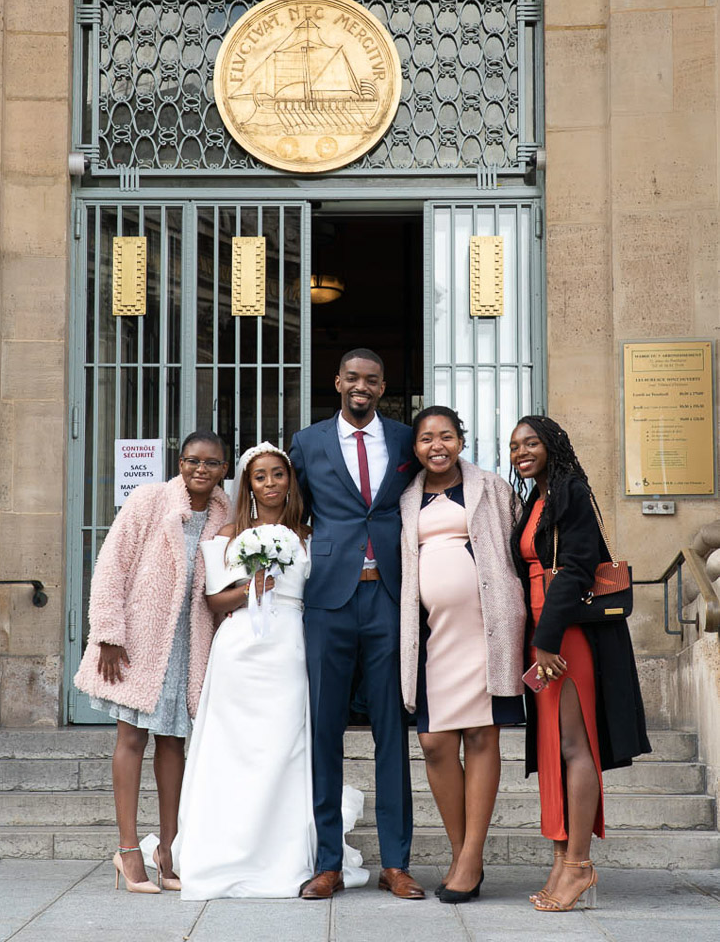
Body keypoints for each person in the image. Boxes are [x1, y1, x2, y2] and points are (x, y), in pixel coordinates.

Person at [172, 442, 365, 898]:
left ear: (290, 480)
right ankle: (229, 847)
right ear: (249, 485)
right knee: (235, 750)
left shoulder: (309, 534)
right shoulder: (226, 533)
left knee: (285, 748)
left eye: (279, 474)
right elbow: (213, 601)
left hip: (291, 645)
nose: (271, 483)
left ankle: (285, 854)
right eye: (261, 476)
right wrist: (249, 589)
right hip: (240, 649)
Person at [290, 348, 423, 901]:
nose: (361, 386)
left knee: (392, 731)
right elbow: (288, 509)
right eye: (353, 378)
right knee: (324, 730)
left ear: (383, 383)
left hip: (389, 598)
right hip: (328, 600)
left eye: (372, 379)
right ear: (337, 380)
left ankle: (397, 862)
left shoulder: (404, 440)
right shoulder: (308, 441)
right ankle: (327, 863)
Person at [74, 431, 230, 892]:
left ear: (225, 468)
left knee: (173, 745)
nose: (201, 470)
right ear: (179, 462)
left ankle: (169, 849)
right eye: (192, 461)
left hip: (191, 640)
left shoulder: (226, 514)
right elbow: (112, 564)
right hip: (139, 639)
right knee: (131, 737)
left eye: (212, 463)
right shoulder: (148, 500)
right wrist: (107, 633)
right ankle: (127, 850)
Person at [509, 415, 650, 913]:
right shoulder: (536, 499)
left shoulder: (570, 491)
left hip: (565, 635)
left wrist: (546, 642)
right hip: (543, 635)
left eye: (530, 443)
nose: (521, 451)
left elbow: (577, 565)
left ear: (552, 446)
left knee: (574, 745)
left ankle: (580, 864)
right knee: (554, 747)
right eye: (514, 446)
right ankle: (560, 857)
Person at [400, 407, 526, 904]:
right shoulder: (406, 498)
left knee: (480, 735)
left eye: (447, 436)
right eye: (427, 438)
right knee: (433, 742)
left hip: (486, 630)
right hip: (433, 635)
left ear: (461, 441)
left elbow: (523, 542)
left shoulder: (491, 487)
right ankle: (461, 853)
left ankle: (470, 858)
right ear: (415, 447)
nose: (437, 445)